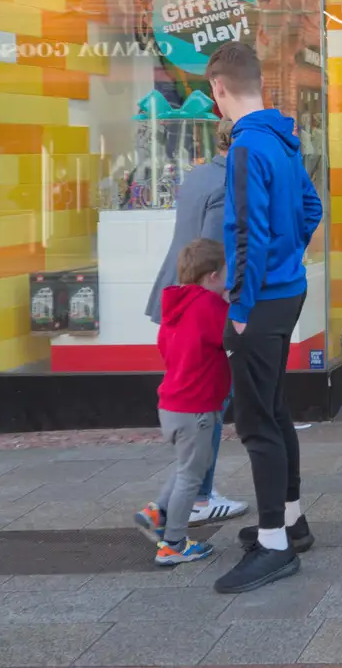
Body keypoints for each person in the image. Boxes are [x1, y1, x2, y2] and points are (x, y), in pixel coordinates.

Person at [205, 43, 323, 595]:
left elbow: (248, 235)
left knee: (257, 422)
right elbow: (310, 209)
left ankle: (274, 544)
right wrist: (289, 257)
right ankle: (290, 521)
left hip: (261, 301)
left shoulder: (247, 148)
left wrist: (244, 307)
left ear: (220, 89)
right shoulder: (283, 139)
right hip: (287, 291)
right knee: (275, 410)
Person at [142, 119, 247, 526]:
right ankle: (199, 495)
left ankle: (185, 494)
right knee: (211, 401)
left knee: (200, 395)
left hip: (176, 296)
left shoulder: (199, 174)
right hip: (200, 302)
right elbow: (211, 253)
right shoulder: (226, 184)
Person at [135, 238, 231, 567]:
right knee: (192, 476)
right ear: (213, 276)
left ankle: (157, 511)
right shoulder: (211, 308)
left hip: (172, 405)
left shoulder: (176, 307)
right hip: (197, 408)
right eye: (227, 271)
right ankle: (173, 543)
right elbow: (232, 335)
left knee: (188, 466)